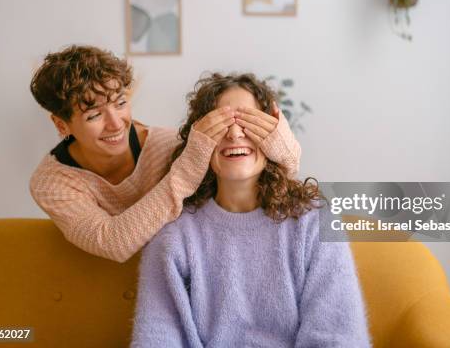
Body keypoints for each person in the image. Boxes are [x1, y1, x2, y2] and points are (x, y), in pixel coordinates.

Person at [131, 73, 370, 347]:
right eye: (220, 124)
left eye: (248, 122)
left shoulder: (314, 222)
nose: (234, 134)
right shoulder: (173, 235)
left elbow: (338, 337)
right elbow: (157, 338)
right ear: (199, 141)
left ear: (273, 135)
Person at [29, 45, 301, 262]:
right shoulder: (51, 183)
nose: (116, 123)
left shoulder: (168, 145)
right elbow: (112, 243)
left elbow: (264, 180)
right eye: (94, 115)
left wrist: (277, 142)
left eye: (121, 103)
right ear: (61, 124)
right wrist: (186, 170)